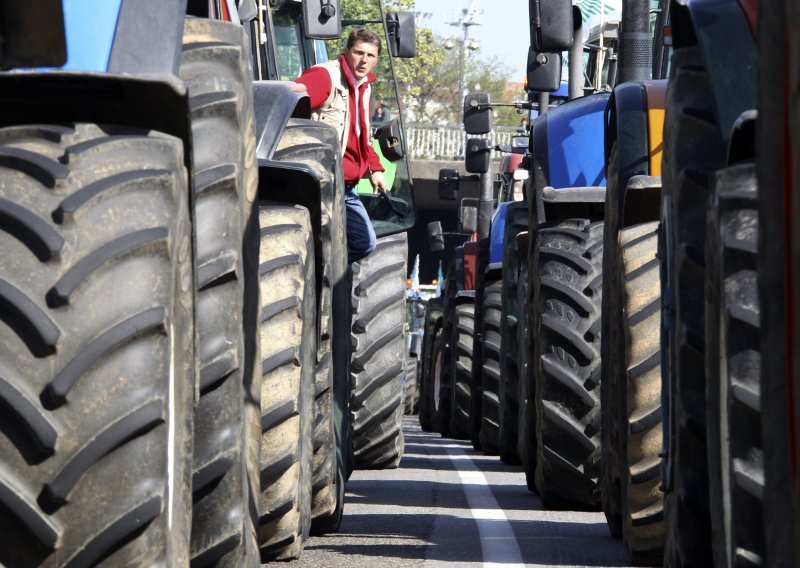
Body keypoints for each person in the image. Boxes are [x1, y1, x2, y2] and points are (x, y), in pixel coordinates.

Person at [294, 28, 387, 263]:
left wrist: (375, 169)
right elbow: (291, 99)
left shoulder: (364, 85)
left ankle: (324, 275)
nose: (364, 60)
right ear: (346, 51)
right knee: (356, 242)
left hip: (346, 187)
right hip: (322, 182)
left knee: (364, 242)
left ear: (376, 59)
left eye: (371, 55)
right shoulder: (325, 77)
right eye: (359, 53)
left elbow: (361, 134)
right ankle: (314, 272)